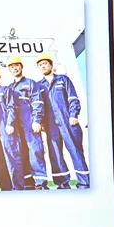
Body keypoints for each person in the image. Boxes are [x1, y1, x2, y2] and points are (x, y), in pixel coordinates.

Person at [37, 53, 90, 189]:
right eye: (40, 65)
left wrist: (73, 115)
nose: (43, 66)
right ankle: (62, 183)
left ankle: (84, 182)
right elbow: (38, 106)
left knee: (75, 151)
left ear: (51, 65)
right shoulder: (38, 86)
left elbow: (73, 98)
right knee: (55, 154)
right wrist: (41, 122)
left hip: (67, 121)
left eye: (45, 64)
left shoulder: (63, 79)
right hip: (50, 125)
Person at [7, 55, 49, 190]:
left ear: (21, 67)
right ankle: (28, 182)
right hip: (16, 125)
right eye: (12, 67)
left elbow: (37, 102)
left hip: (29, 122)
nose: (15, 68)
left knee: (35, 150)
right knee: (21, 152)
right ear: (9, 70)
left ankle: (40, 183)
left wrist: (37, 120)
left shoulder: (31, 83)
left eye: (17, 66)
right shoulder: (9, 87)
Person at [0, 66, 24, 191]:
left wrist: (10, 123)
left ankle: (17, 187)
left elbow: (11, 107)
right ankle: (5, 187)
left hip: (6, 127)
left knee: (12, 156)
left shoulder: (5, 90)